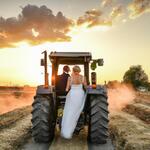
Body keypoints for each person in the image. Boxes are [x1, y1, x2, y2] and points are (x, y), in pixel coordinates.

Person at [61, 65, 87, 139]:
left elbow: (67, 88)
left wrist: (66, 91)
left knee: (70, 111)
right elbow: (86, 87)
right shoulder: (83, 77)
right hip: (80, 94)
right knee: (77, 110)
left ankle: (68, 129)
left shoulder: (70, 78)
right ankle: (80, 119)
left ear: (73, 70)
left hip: (72, 94)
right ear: (79, 70)